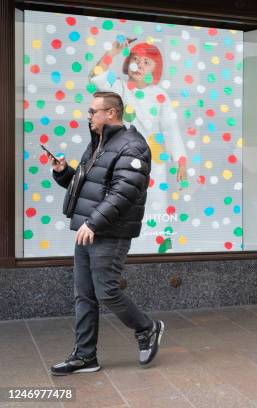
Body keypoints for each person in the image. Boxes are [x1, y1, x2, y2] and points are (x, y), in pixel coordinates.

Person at [47, 92, 164, 375]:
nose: (89, 115)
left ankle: (147, 328)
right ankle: (85, 356)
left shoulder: (133, 146)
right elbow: (90, 186)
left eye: (93, 111)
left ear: (111, 113)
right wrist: (64, 173)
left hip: (108, 232)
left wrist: (94, 223)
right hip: (88, 230)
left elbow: (124, 192)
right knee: (84, 295)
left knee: (106, 292)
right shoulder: (99, 143)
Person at [89, 39, 186, 252]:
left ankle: (157, 247)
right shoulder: (119, 88)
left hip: (153, 158)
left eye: (146, 62)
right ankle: (124, 248)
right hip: (124, 156)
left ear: (156, 69)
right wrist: (113, 51)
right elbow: (96, 75)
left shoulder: (161, 95)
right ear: (127, 64)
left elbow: (171, 127)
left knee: (155, 203)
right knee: (123, 200)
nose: (140, 65)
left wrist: (180, 159)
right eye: (135, 59)